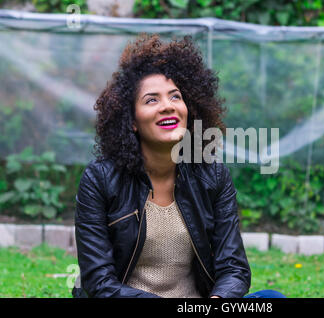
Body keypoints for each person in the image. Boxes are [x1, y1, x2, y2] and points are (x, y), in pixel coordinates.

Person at [72, 33, 284, 298]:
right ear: (132, 121)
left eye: (175, 97)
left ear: (189, 108)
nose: (167, 107)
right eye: (152, 100)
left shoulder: (213, 175)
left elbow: (233, 268)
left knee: (270, 299)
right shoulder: (100, 179)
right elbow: (98, 282)